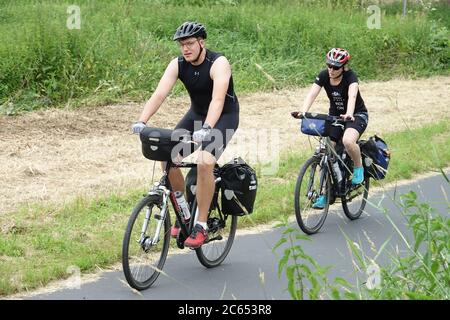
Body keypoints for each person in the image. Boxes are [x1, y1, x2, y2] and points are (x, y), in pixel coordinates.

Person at [131, 21, 239, 248]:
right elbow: (159, 94)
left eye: (190, 43)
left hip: (223, 118)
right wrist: (142, 120)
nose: (186, 49)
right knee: (167, 156)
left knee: (204, 163)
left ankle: (200, 225)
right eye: (182, 45)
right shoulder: (178, 64)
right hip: (196, 115)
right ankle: (184, 212)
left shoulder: (218, 63)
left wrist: (207, 129)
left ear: (202, 43)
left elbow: (218, 100)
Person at [296, 48, 369, 209]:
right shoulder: (324, 75)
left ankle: (358, 168)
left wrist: (349, 113)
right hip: (335, 117)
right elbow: (312, 94)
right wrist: (303, 111)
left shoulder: (351, 77)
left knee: (348, 141)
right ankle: (326, 194)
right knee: (325, 152)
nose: (331, 69)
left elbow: (352, 96)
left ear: (344, 67)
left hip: (356, 115)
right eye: (329, 65)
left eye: (336, 67)